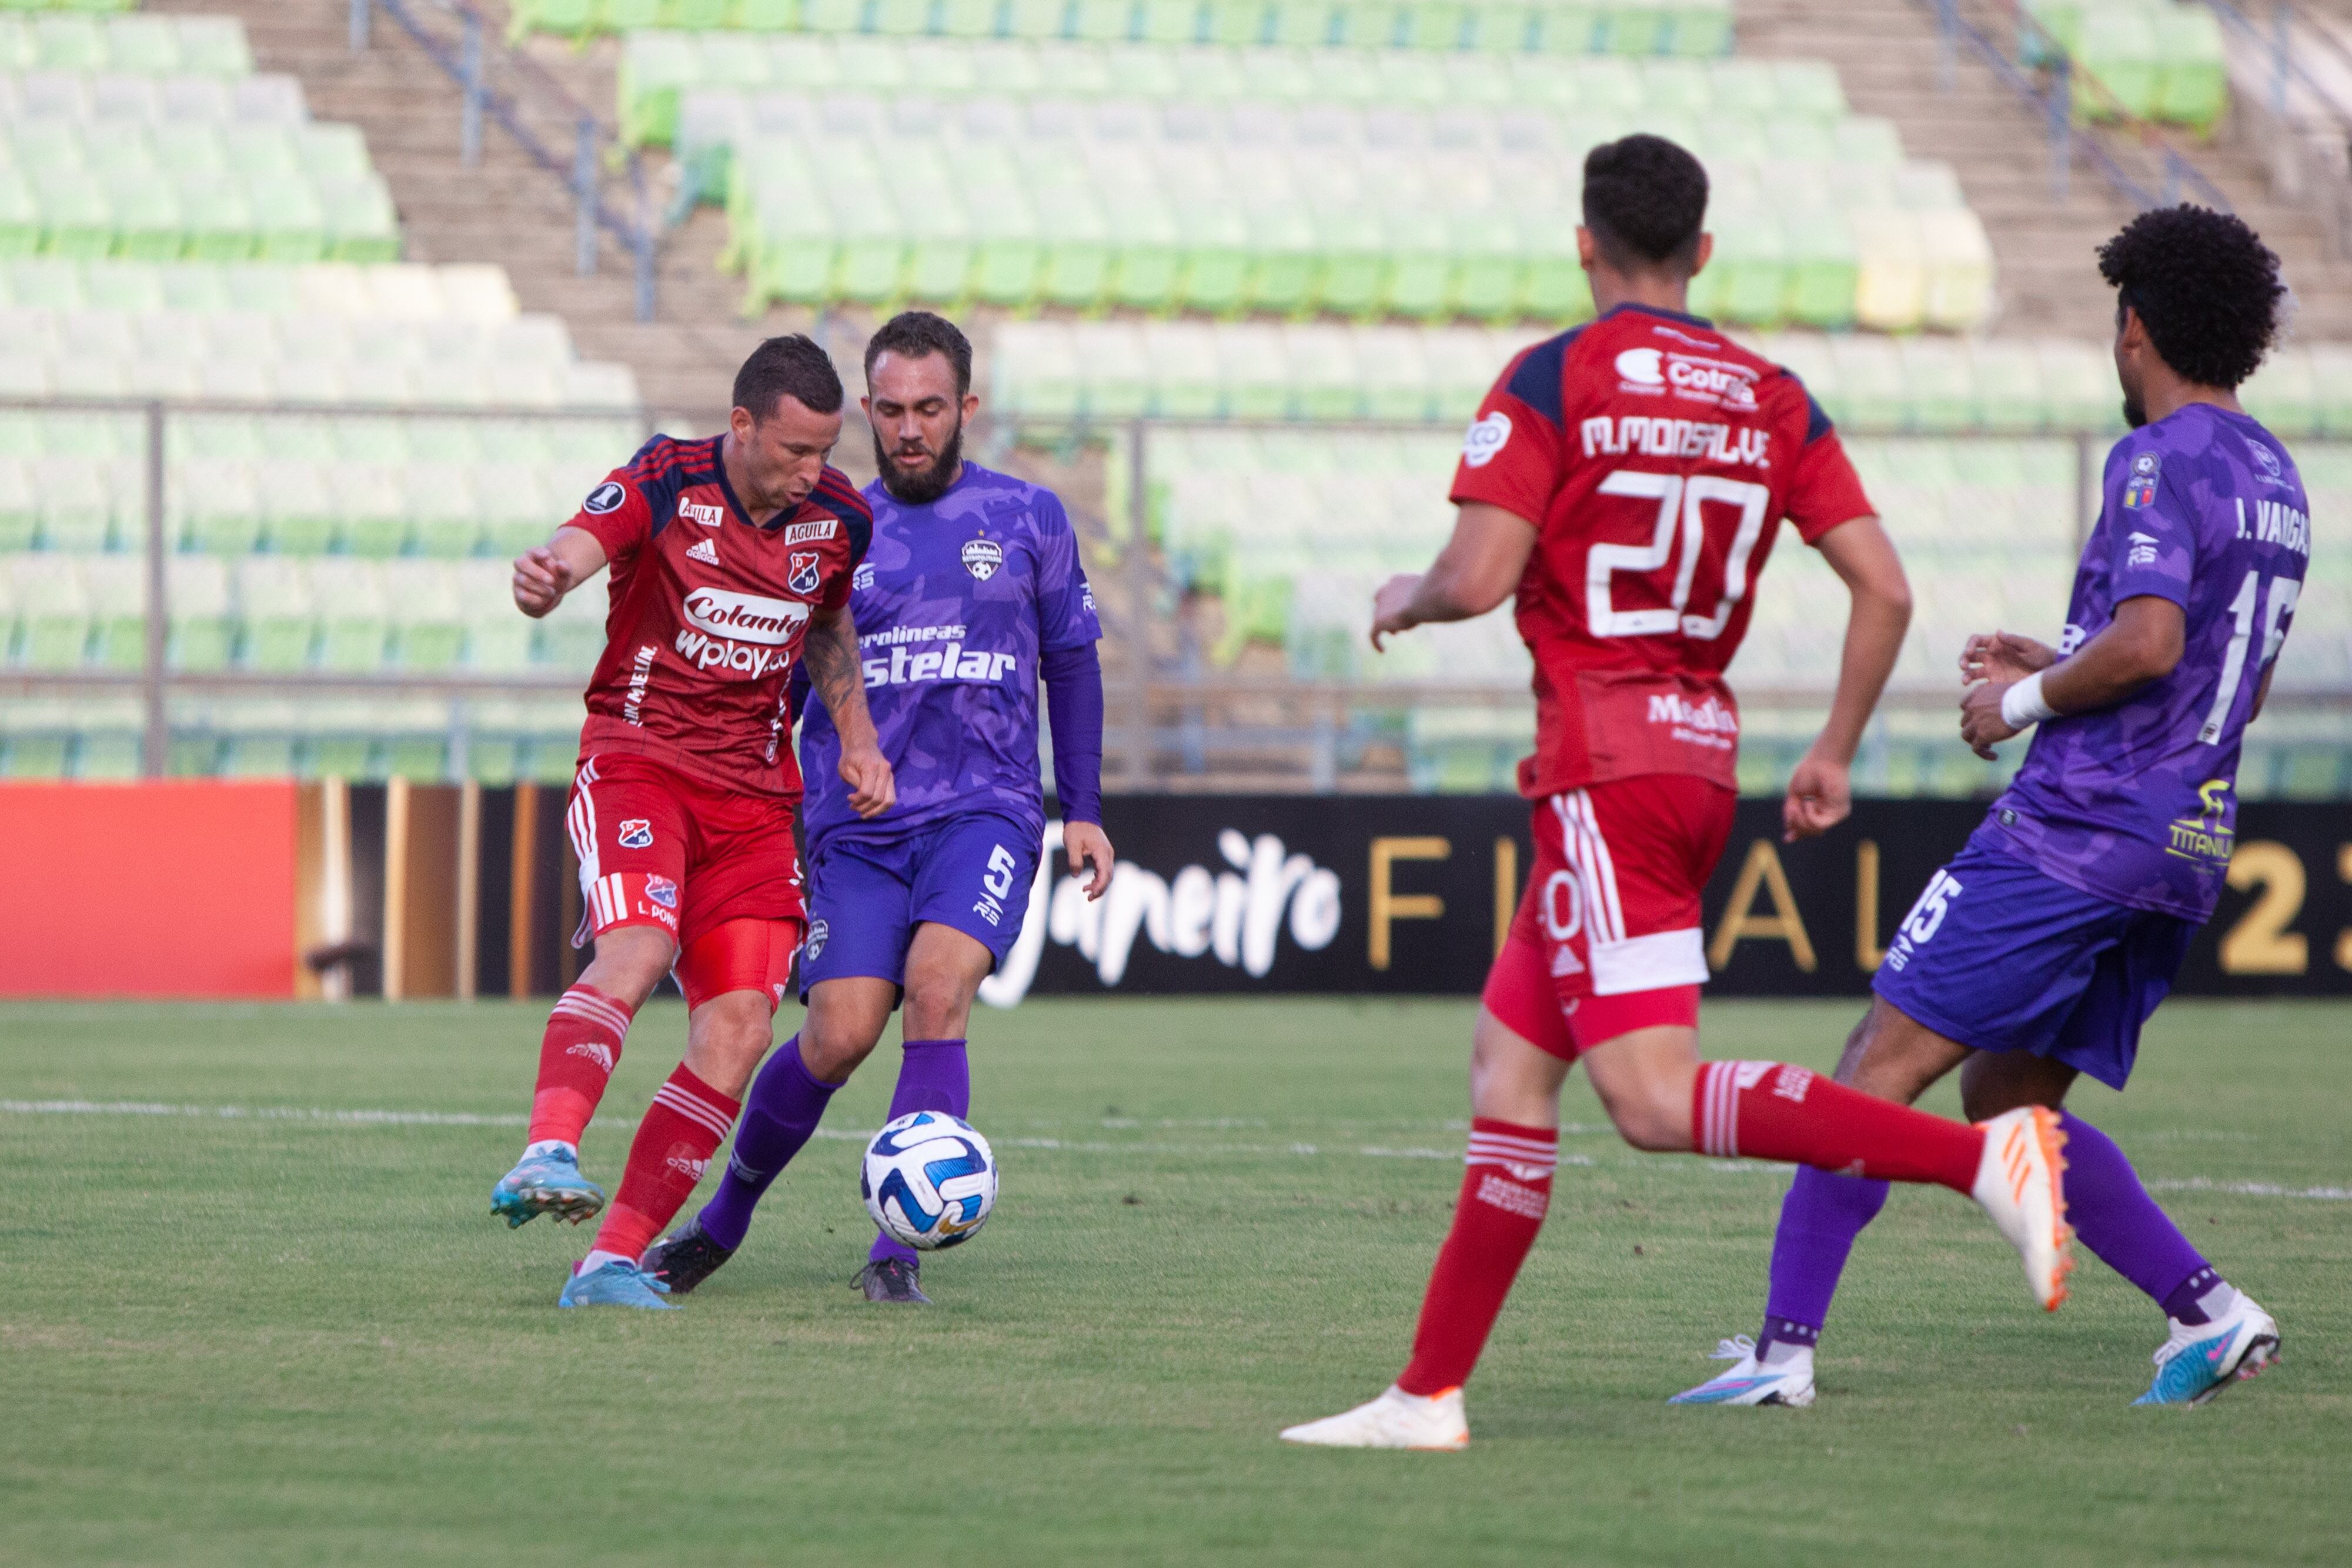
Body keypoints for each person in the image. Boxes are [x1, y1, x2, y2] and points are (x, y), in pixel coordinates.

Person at [1279, 134, 2072, 1452]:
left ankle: (1979, 1158)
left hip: (1601, 767)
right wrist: (1831, 746)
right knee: (1510, 1069)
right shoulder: (1768, 392)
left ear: (1583, 244)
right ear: (1700, 252)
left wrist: (1401, 597)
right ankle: (1424, 1395)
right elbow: (1884, 586)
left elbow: (1476, 577)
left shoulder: (1555, 375)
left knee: (1647, 1102)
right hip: (1695, 757)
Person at [1671, 205, 2301, 1410]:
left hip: (2075, 830)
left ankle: (1779, 1354)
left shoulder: (2157, 454)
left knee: (1872, 1066)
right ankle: (2210, 1311)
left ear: (2134, 327)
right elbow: (2229, 672)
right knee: (2004, 1101)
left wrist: (2016, 698)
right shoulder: (2274, 474)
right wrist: (2074, 654)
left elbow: (2154, 637)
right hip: (2183, 840)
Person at [639, 310, 1114, 1306]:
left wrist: (1086, 805)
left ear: (966, 408)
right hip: (853, 828)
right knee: (841, 1032)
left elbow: (1071, 660)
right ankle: (722, 1222)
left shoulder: (1029, 519)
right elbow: (770, 680)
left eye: (930, 408)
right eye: (891, 410)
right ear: (866, 409)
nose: (910, 428)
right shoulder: (828, 529)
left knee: (938, 991)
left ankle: (895, 1253)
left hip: (984, 810)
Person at [487, 335, 895, 1312]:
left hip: (756, 801)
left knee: (743, 1026)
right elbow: (582, 544)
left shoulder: (837, 518)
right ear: (742, 425)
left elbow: (829, 623)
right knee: (638, 943)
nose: (815, 473)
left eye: (827, 452)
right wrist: (553, 574)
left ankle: (611, 1261)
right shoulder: (667, 478)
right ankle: (548, 1148)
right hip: (640, 761)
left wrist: (858, 738)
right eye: (795, 451)